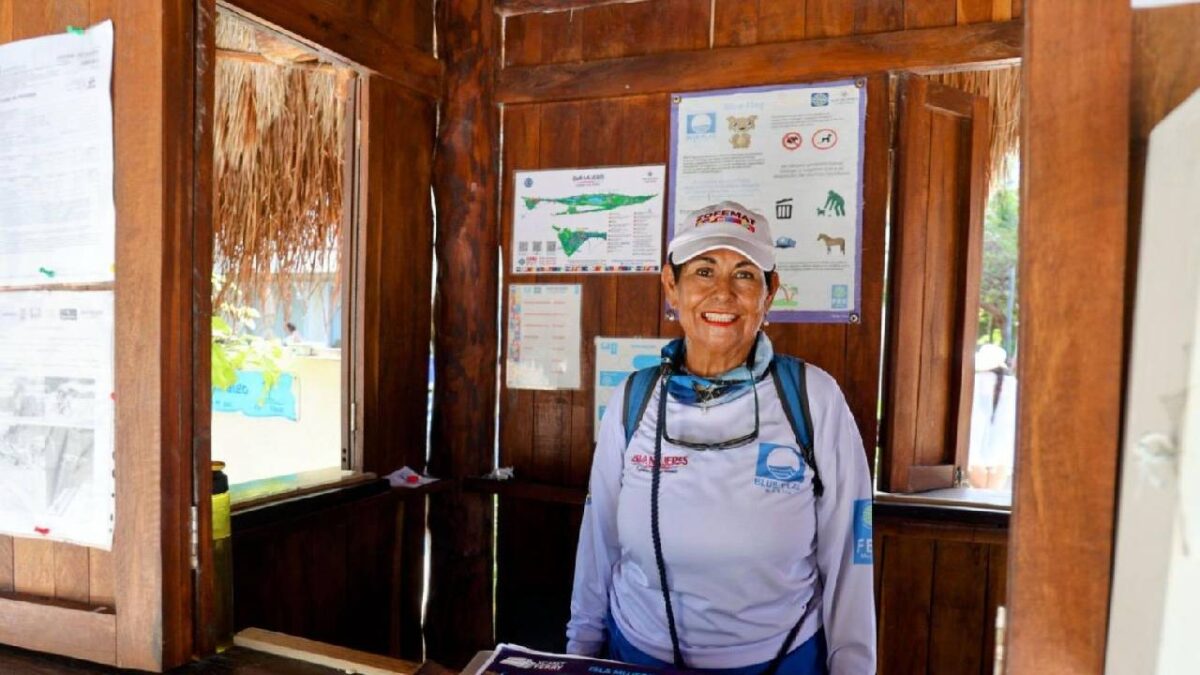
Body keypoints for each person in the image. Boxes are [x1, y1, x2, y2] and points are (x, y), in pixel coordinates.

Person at [566, 201, 875, 674]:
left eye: (745, 274)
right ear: (671, 286)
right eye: (704, 271)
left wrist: (853, 667)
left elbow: (850, 551)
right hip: (637, 657)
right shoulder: (634, 398)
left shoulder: (813, 398)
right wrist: (581, 651)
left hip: (779, 661)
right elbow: (599, 541)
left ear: (770, 291)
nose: (723, 293)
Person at [967, 343, 1016, 490]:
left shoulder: (974, 381)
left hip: (974, 436)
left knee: (979, 489)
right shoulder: (1013, 384)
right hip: (1004, 439)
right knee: (994, 490)